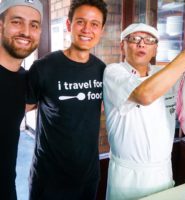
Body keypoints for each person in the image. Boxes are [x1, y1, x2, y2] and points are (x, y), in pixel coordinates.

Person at [103, 23, 185, 199]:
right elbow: (145, 94)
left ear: (155, 50)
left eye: (149, 40)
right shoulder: (114, 72)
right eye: (134, 39)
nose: (142, 44)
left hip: (162, 172)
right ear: (122, 46)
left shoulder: (163, 73)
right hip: (128, 178)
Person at [26, 0, 107, 199]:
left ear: (101, 30)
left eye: (94, 24)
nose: (87, 29)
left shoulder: (102, 70)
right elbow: (15, 112)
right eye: (80, 22)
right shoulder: (44, 67)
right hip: (49, 178)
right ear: (69, 25)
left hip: (88, 177)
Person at [0, 0, 43, 199]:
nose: (26, 32)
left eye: (34, 25)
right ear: (1, 25)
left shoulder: (25, 80)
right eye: (17, 22)